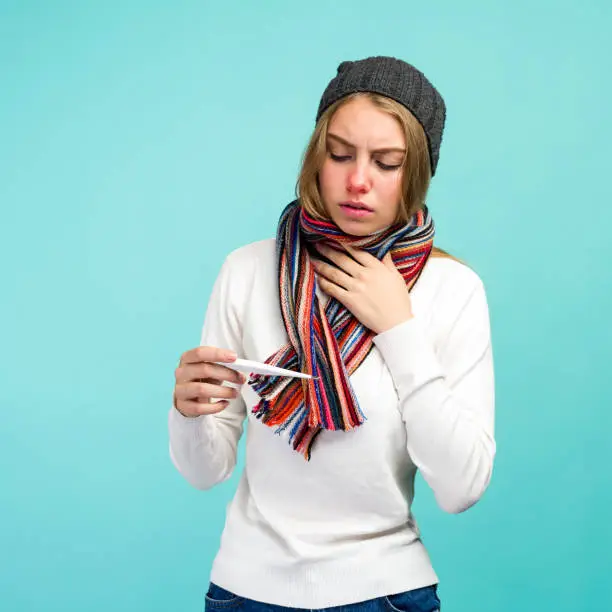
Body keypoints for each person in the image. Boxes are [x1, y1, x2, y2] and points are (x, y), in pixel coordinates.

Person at [169, 56, 496, 612]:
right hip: (245, 593)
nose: (358, 180)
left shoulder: (452, 289)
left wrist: (399, 327)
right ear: (316, 156)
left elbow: (462, 487)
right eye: (340, 154)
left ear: (414, 173)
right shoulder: (248, 271)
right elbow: (206, 471)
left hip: (386, 594)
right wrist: (189, 411)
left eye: (386, 163)